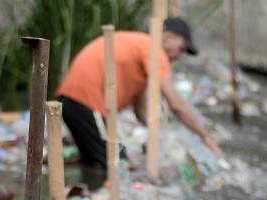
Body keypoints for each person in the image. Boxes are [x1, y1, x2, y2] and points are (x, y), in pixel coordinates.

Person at [55, 16, 225, 182]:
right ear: (168, 36)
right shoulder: (154, 50)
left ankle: (88, 194)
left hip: (77, 100)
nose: (180, 56)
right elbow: (177, 104)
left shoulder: (141, 48)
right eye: (181, 48)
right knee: (114, 165)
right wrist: (205, 137)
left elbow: (140, 108)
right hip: (86, 101)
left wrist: (158, 136)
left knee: (111, 158)